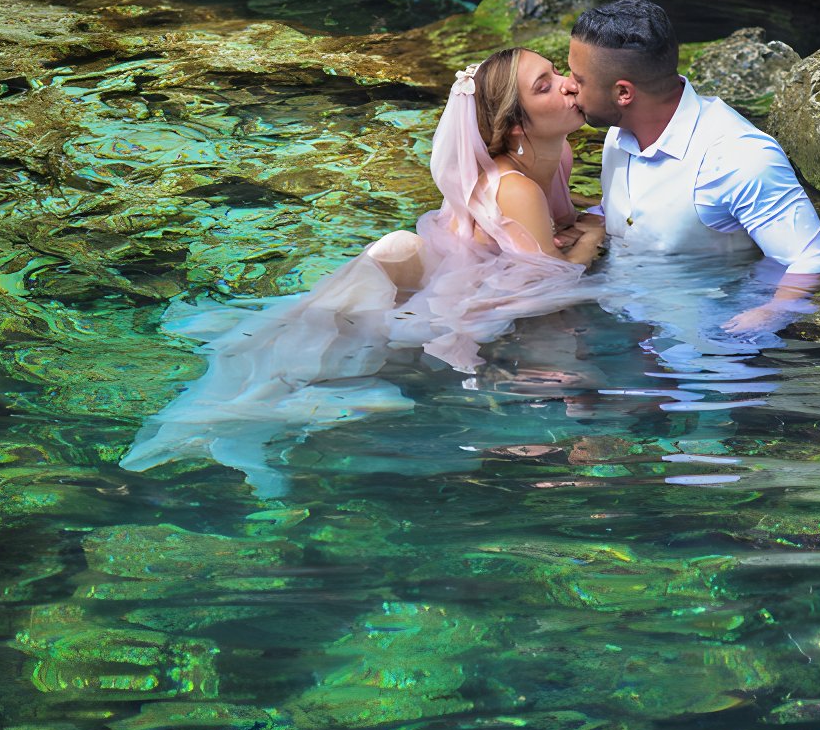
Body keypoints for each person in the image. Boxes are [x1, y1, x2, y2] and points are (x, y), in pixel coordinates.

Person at [120, 47, 605, 496]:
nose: (568, 84)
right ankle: (244, 418)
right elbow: (553, 280)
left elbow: (550, 214)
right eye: (545, 85)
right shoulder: (515, 187)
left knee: (323, 353)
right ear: (517, 126)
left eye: (558, 73)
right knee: (319, 361)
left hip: (434, 267)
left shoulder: (557, 153)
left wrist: (578, 215)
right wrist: (593, 233)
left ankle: (251, 418)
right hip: (427, 290)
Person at [561, 0, 820, 336]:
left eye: (578, 78)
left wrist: (769, 314)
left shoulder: (739, 158)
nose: (567, 85)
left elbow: (813, 260)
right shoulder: (618, 135)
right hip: (622, 324)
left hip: (707, 347)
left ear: (624, 93)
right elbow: (629, 214)